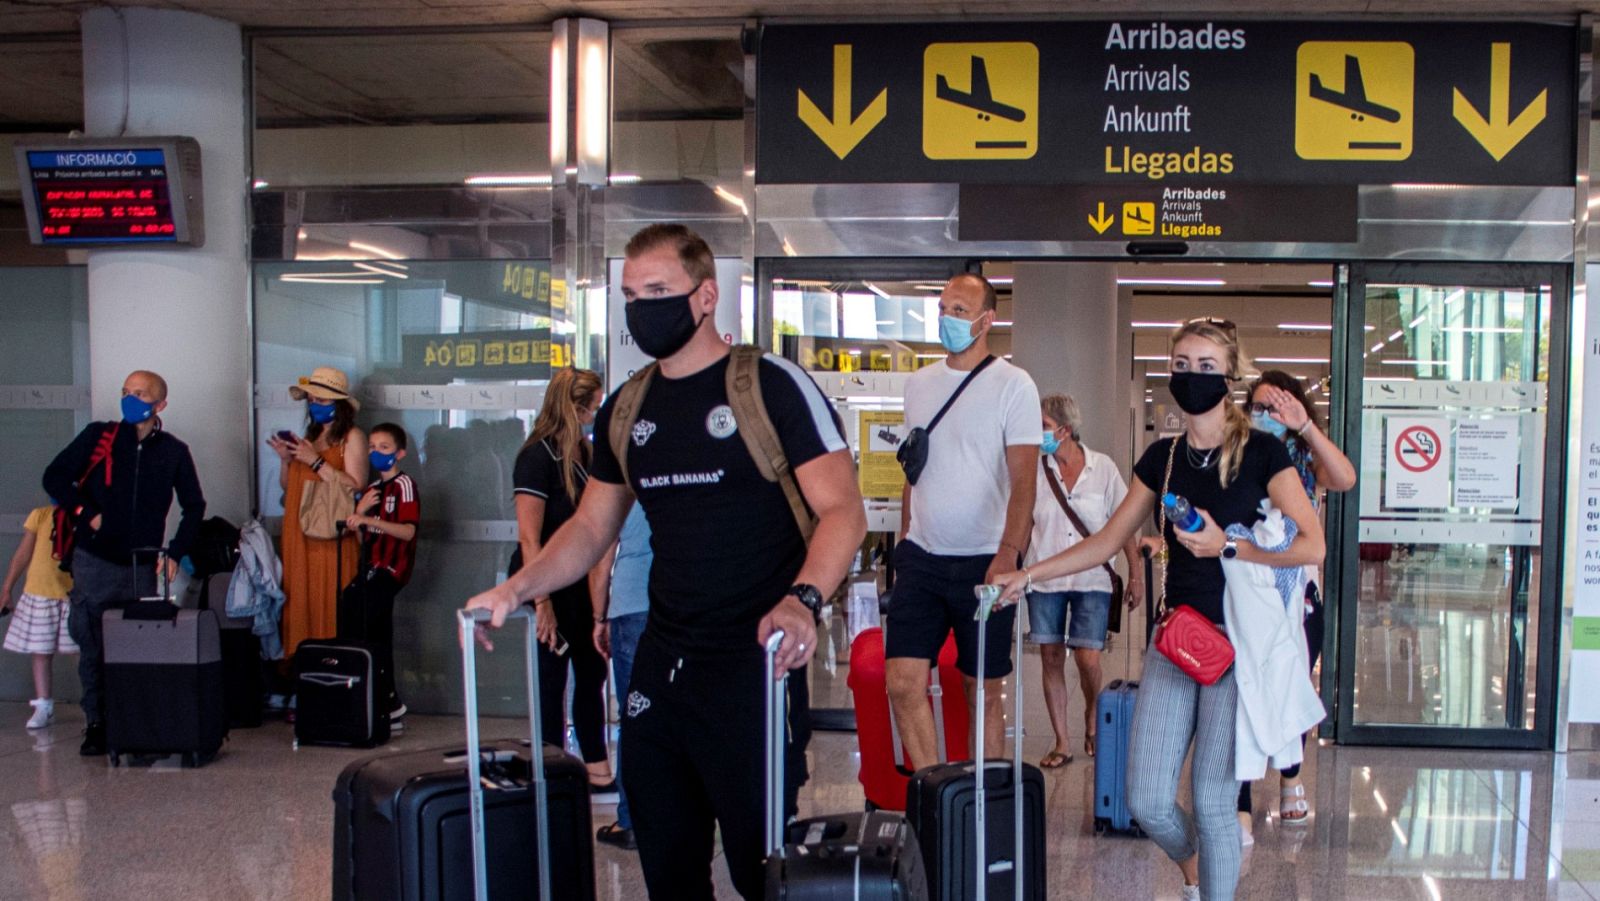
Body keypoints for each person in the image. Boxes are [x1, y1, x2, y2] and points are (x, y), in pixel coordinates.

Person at [467, 223, 865, 900]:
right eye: (630, 295)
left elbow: (844, 512)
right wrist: (517, 588)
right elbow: (591, 527)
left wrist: (802, 600)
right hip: (661, 664)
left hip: (753, 668)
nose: (641, 308)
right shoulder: (628, 408)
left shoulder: (770, 387)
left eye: (657, 291)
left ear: (706, 296)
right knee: (669, 870)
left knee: (763, 875)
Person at [994, 319, 1325, 901]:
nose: (1192, 376)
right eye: (1181, 365)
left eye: (1206, 366)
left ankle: (1213, 889)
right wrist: (1027, 573)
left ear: (1229, 375)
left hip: (1238, 646)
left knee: (1214, 803)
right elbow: (1107, 539)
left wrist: (1229, 545)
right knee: (1146, 800)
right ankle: (1194, 866)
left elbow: (1312, 544)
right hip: (1177, 639)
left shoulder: (1262, 452)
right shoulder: (1163, 457)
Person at [888, 272, 1040, 766]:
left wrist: (1008, 554)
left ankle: (984, 797)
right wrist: (905, 540)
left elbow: (1025, 482)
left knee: (982, 689)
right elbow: (914, 471)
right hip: (922, 558)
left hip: (984, 563)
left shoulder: (1014, 386)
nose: (947, 319)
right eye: (943, 308)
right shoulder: (918, 385)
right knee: (903, 682)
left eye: (960, 311)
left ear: (986, 320)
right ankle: (935, 793)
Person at [43, 370, 206, 756]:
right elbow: (55, 477)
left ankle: (136, 723)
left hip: (141, 565)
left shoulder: (173, 451)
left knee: (138, 646)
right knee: (93, 645)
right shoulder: (98, 436)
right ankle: (96, 723)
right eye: (126, 391)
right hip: (94, 561)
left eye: (140, 393)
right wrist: (86, 514)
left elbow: (194, 506)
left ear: (160, 404)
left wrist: (175, 552)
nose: (130, 399)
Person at [1235, 370, 1356, 832]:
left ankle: (1290, 776)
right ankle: (1240, 793)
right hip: (1246, 585)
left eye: (1278, 407)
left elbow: (1344, 477)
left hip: (1299, 589)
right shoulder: (1236, 455)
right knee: (1243, 687)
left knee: (1292, 683)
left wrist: (1304, 426)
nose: (1269, 415)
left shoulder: (1305, 459)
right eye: (1260, 407)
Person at [508, 366, 614, 791]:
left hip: (578, 579)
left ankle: (596, 768)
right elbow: (529, 538)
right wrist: (542, 601)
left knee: (591, 671)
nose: (595, 415)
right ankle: (550, 772)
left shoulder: (585, 455)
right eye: (593, 407)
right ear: (574, 408)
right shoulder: (536, 458)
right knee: (551, 679)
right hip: (546, 579)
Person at [1024, 393, 1142, 767]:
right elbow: (1023, 523)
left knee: (1088, 657)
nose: (1038, 432)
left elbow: (1124, 524)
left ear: (1065, 429)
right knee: (1051, 657)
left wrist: (1136, 573)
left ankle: (1091, 713)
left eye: (1043, 425)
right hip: (1046, 579)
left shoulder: (1102, 469)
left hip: (1093, 578)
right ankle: (1062, 742)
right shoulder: (1033, 470)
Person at [266, 366, 367, 661]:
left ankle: (333, 668)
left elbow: (355, 484)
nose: (314, 405)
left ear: (340, 404)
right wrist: (286, 460)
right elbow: (290, 486)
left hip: (330, 537)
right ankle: (303, 670)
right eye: (311, 400)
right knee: (300, 599)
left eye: (322, 400)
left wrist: (315, 461)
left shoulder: (351, 437)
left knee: (331, 601)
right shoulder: (309, 437)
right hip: (300, 533)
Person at [339, 422, 419, 727]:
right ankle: (373, 698)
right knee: (357, 619)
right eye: (372, 447)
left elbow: (408, 531)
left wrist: (369, 520)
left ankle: (387, 700)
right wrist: (360, 515)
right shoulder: (372, 490)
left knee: (374, 628)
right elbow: (364, 538)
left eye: (384, 448)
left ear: (400, 453)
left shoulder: (404, 485)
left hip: (391, 568)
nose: (376, 453)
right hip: (370, 566)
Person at [591, 501, 653, 850]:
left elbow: (602, 556)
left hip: (631, 604)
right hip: (679, 604)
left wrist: (599, 616)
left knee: (635, 716)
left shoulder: (623, 485)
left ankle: (631, 821)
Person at [1, 504, 80, 730]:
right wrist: (7, 588)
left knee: (82, 651)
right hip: (40, 592)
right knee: (41, 651)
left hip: (74, 594)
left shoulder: (86, 514)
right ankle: (44, 704)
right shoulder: (41, 515)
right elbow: (23, 554)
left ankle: (94, 704)